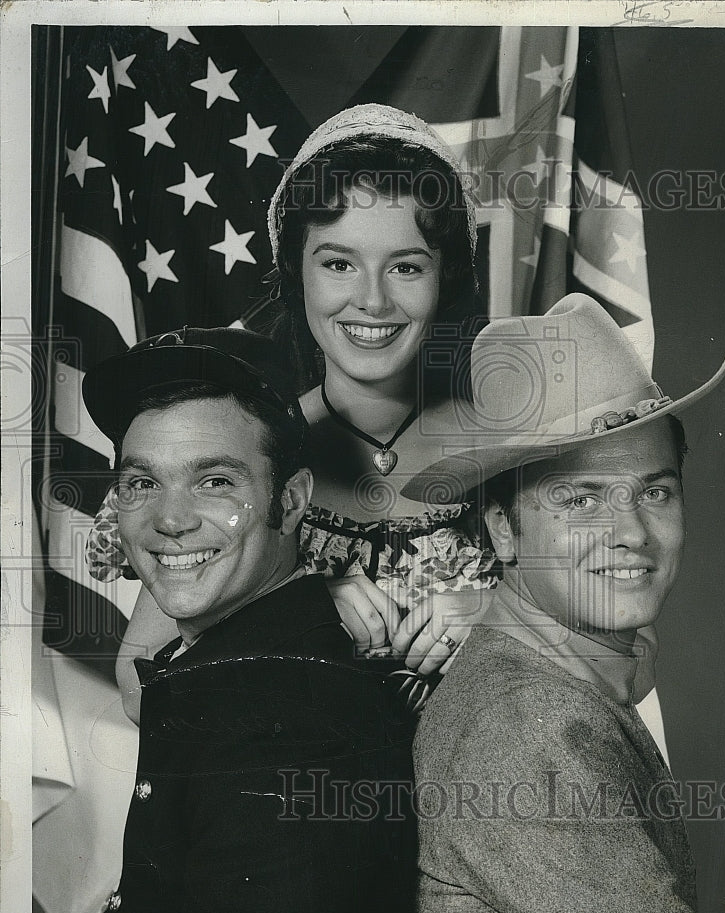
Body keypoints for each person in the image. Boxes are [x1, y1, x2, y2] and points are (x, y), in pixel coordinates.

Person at [84, 104, 498, 724]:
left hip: (484, 808)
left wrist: (508, 617)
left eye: (407, 266)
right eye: (338, 263)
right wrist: (301, 613)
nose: (372, 300)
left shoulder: (518, 444)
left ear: (446, 280)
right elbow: (142, 687)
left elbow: (634, 661)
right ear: (294, 276)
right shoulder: (242, 445)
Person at [402, 293, 725, 913]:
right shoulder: (527, 721)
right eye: (580, 497)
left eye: (654, 491)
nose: (630, 532)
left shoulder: (552, 676)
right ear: (501, 528)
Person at [74, 327, 416, 913]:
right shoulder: (227, 661)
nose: (169, 520)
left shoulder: (284, 721)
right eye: (142, 484)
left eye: (214, 481)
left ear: (289, 503)